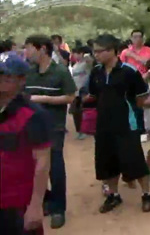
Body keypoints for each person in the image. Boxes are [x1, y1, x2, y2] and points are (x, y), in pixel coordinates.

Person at [85, 34, 150, 213]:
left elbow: (142, 96)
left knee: (135, 161)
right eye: (95, 51)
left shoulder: (129, 72)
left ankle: (146, 194)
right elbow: (93, 95)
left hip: (126, 124)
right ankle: (113, 195)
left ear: (112, 51)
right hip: (103, 125)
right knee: (107, 162)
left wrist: (132, 110)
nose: (96, 55)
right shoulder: (96, 72)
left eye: (100, 51)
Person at [23, 35, 76, 229]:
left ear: (43, 49)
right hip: (31, 126)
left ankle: (58, 209)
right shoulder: (29, 72)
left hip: (54, 126)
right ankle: (46, 200)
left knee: (55, 166)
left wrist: (43, 98)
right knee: (33, 166)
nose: (26, 53)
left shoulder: (60, 71)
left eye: (29, 49)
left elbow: (70, 97)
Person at [0, 52, 52, 235]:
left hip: (18, 204)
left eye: (6, 77)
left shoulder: (33, 115)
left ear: (21, 80)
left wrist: (36, 206)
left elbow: (42, 161)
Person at [70, 47, 93, 140]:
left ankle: (85, 130)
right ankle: (79, 130)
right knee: (76, 112)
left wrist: (86, 56)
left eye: (77, 53)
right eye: (74, 54)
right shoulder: (75, 65)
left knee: (83, 111)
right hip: (76, 91)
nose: (75, 55)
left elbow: (90, 61)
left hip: (84, 90)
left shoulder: (86, 64)